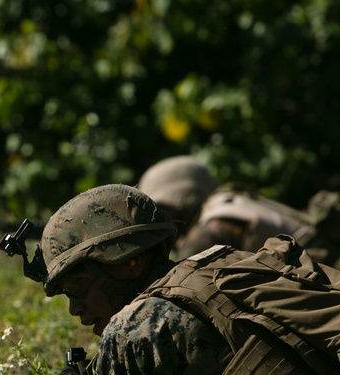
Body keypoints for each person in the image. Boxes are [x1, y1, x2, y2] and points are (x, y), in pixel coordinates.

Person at [32, 184, 333, 374]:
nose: (74, 307)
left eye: (78, 286)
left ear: (129, 262)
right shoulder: (226, 263)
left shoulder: (135, 328)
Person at [138, 155, 340, 267]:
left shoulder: (214, 226)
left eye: (162, 210)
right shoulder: (228, 202)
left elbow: (182, 278)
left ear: (181, 203)